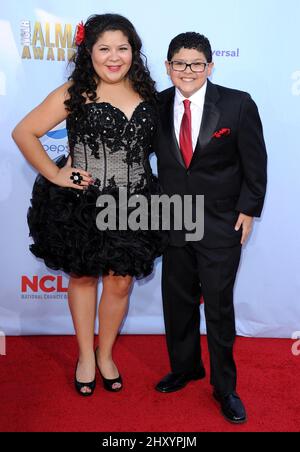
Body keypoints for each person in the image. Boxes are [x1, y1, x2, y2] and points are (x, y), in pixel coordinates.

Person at [12, 14, 166, 397]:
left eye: (122, 48)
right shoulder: (77, 91)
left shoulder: (151, 94)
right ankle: (84, 355)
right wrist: (56, 173)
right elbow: (24, 131)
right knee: (82, 277)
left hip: (135, 204)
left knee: (120, 282)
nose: (114, 57)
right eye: (104, 49)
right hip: (85, 202)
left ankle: (106, 353)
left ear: (134, 51)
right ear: (89, 52)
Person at [154, 32, 267, 423]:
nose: (188, 71)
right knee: (178, 303)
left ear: (210, 66)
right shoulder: (157, 104)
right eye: (180, 63)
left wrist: (249, 209)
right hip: (172, 220)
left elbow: (255, 162)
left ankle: (225, 388)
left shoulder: (237, 104)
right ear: (168, 67)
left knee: (218, 309)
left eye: (197, 63)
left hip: (221, 224)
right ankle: (186, 367)